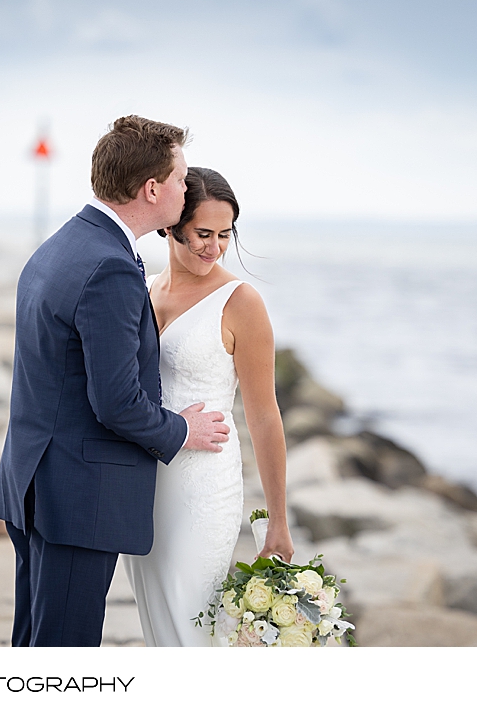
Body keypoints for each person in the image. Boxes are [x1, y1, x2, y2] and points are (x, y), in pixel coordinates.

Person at [0, 116, 231, 647]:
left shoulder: (63, 244)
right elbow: (117, 401)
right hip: (76, 495)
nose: (186, 187)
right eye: (180, 177)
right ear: (152, 189)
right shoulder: (111, 268)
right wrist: (180, 432)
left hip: (33, 477)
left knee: (36, 644)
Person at [124, 167, 294, 647]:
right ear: (169, 224)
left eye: (224, 234)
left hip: (203, 490)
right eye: (203, 233)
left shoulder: (241, 302)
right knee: (159, 628)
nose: (214, 247)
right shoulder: (148, 287)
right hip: (143, 486)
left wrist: (277, 521)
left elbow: (264, 416)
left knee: (194, 627)